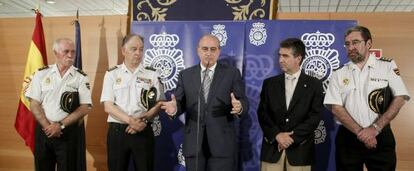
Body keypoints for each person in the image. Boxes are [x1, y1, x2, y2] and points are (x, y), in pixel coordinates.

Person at [324, 25, 410, 171]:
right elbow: (335, 107)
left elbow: (400, 97)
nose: (351, 47)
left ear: (369, 43)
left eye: (355, 42)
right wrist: (360, 132)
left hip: (381, 136)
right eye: (347, 44)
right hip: (348, 138)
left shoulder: (387, 66)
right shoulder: (339, 73)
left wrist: (375, 129)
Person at [161, 34, 248, 171]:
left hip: (222, 144)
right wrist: (174, 109)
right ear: (198, 50)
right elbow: (179, 102)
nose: (208, 53)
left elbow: (242, 100)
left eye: (213, 49)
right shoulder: (186, 75)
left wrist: (239, 107)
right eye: (205, 49)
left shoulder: (231, 73)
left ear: (219, 51)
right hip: (194, 144)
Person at [25, 38, 92, 171]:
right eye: (66, 51)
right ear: (55, 53)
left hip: (67, 133)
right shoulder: (41, 74)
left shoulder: (81, 77)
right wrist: (49, 127)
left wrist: (60, 125)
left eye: (73, 52)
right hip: (44, 132)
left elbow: (85, 107)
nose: (70, 55)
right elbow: (34, 104)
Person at [257, 38, 324, 171]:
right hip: (272, 149)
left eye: (285, 56)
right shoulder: (269, 84)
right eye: (280, 55)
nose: (280, 60)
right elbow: (262, 113)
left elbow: (315, 116)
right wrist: (277, 135)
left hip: (300, 151)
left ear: (298, 58)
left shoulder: (314, 84)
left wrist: (291, 138)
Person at [100, 34, 164, 171]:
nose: (138, 53)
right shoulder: (112, 74)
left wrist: (143, 121)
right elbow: (108, 106)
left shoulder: (152, 74)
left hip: (143, 129)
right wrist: (131, 121)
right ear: (123, 50)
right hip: (118, 131)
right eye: (134, 49)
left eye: (141, 49)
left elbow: (159, 103)